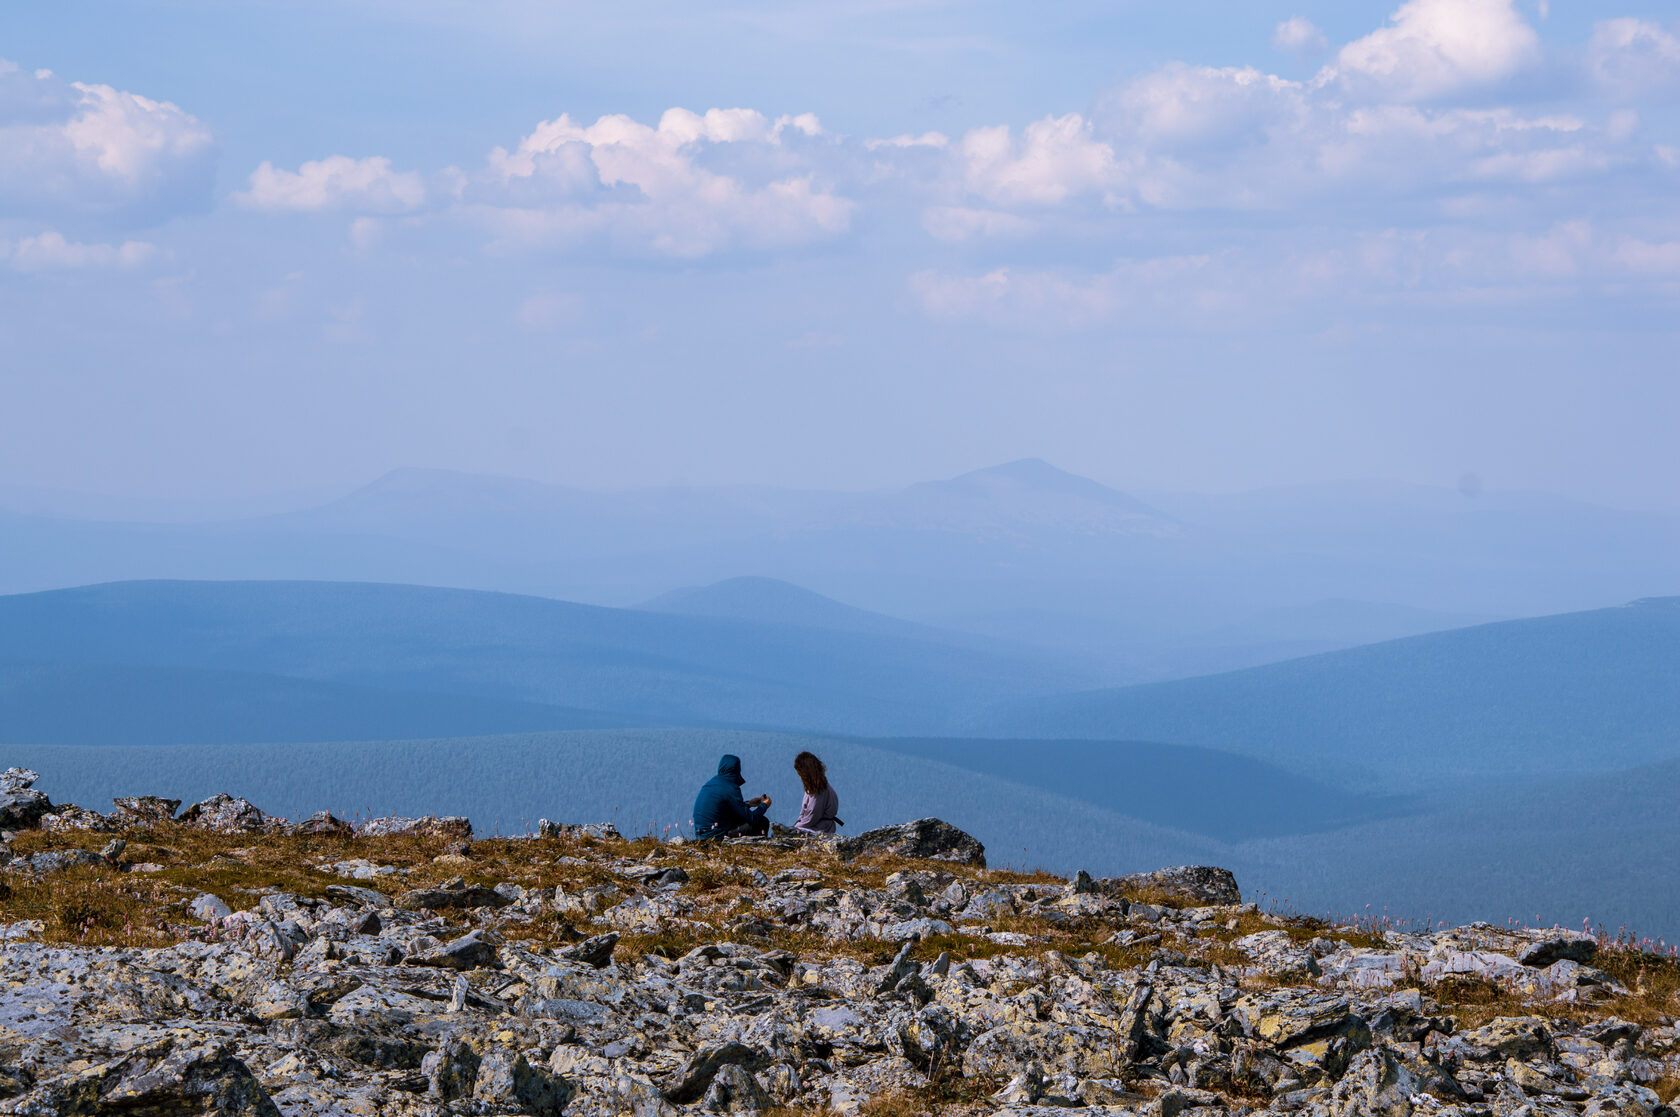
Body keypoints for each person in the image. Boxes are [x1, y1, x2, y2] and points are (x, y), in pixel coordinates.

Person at [692, 754, 770, 840]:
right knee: (762, 822)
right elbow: (752, 818)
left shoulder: (711, 783)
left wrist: (749, 804)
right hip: (717, 837)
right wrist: (764, 805)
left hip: (701, 836)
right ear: (736, 770)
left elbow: (725, 808)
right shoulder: (730, 787)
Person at [793, 750, 841, 835]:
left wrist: (795, 828)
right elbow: (804, 813)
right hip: (812, 825)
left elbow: (812, 816)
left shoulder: (819, 790)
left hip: (820, 828)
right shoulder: (812, 788)